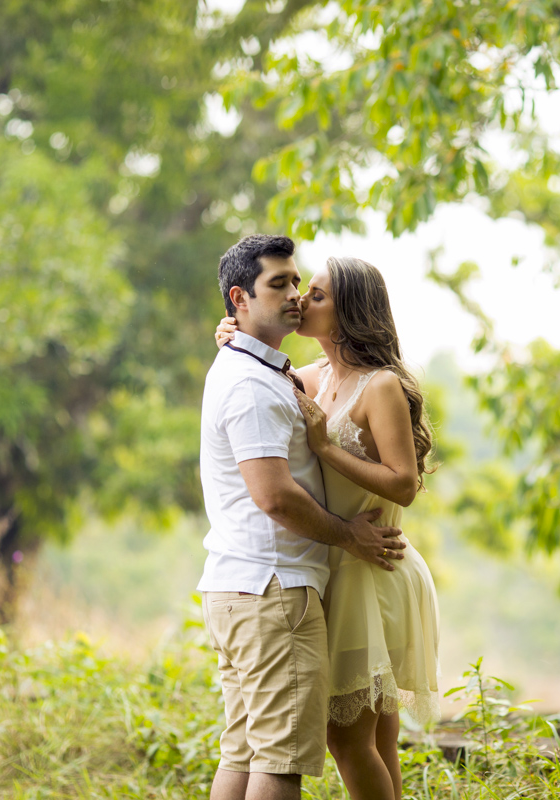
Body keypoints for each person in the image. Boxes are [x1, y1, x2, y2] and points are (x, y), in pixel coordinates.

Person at [215, 254, 442, 800]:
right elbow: (254, 386)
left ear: (349, 313)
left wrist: (324, 447)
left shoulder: (380, 386)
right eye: (297, 289)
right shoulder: (307, 377)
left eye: (315, 294)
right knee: (375, 738)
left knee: (348, 739)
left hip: (371, 569)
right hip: (332, 563)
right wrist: (231, 330)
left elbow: (404, 484)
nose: (299, 299)